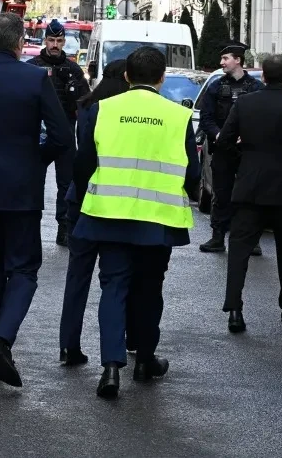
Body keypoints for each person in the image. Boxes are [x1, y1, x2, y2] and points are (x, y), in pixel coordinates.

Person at [0, 11, 72, 387]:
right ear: (21, 43)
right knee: (23, 267)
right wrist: (36, 160)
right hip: (21, 183)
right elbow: (61, 135)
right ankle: (1, 337)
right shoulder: (35, 78)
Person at [72, 46, 199, 399]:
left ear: (127, 76)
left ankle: (111, 367)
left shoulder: (103, 109)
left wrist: (86, 200)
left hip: (109, 214)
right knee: (149, 289)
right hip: (158, 218)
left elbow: (83, 164)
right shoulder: (178, 116)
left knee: (113, 286)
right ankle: (144, 359)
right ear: (162, 78)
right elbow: (193, 172)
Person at [219, 54, 282, 333]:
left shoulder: (245, 102)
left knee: (239, 250)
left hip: (249, 185)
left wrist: (243, 160)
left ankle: (235, 310)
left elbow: (224, 140)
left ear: (262, 76)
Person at [58, 59, 130, 366]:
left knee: (77, 275)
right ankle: (115, 350)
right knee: (115, 278)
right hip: (112, 200)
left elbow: (83, 152)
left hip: (81, 197)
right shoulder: (122, 112)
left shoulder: (87, 106)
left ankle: (68, 344)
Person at [198, 41, 264, 254]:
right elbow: (206, 118)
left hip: (248, 151)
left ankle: (251, 240)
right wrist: (219, 135)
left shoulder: (256, 88)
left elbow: (264, 119)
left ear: (238, 60)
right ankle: (217, 237)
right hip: (223, 150)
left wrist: (247, 135)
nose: (221, 62)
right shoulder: (215, 87)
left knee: (250, 197)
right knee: (221, 195)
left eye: (225, 58)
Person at [29, 19, 89, 246]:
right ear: (45, 40)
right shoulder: (32, 67)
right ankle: (30, 224)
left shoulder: (73, 70)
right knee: (34, 181)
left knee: (66, 183)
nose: (55, 45)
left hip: (65, 135)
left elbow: (85, 104)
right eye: (51, 40)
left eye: (59, 41)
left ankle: (63, 227)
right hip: (39, 135)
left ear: (64, 42)